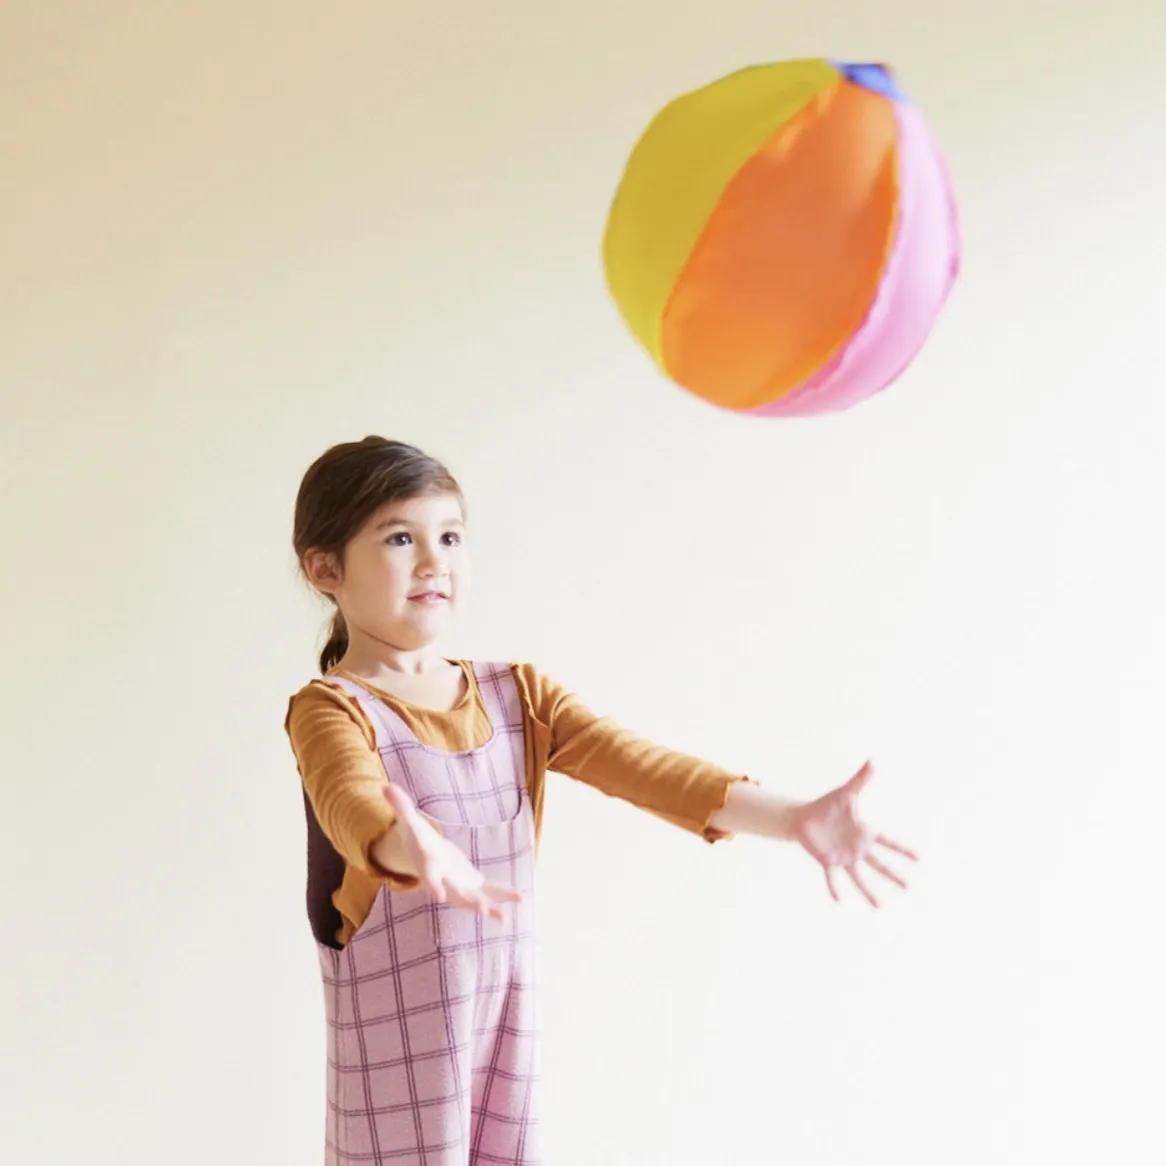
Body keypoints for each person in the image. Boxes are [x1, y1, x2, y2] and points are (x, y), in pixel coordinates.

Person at [284, 435, 916, 1166]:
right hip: (400, 1066)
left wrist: (793, 817)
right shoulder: (332, 710)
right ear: (326, 569)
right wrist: (404, 842)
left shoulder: (517, 696)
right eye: (400, 537)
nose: (435, 561)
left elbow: (644, 767)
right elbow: (350, 798)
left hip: (504, 1043)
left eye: (451, 536)